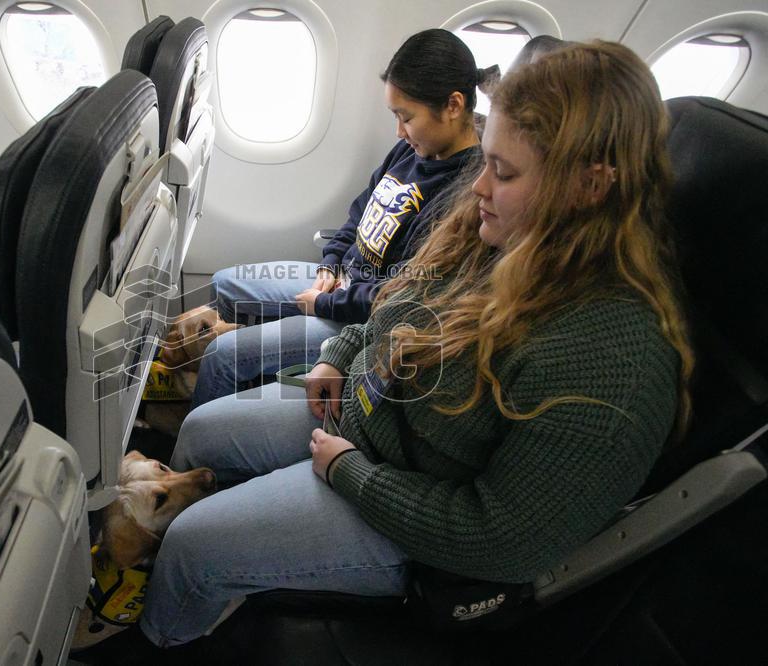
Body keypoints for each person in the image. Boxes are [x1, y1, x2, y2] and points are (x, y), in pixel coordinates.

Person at [139, 40, 694, 648]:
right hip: (356, 407)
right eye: (485, 162)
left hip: (403, 511)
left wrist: (349, 472)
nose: (478, 186)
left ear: (589, 186)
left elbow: (502, 540)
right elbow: (397, 306)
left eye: (504, 172)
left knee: (192, 547)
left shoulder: (612, 365)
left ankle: (160, 637)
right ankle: (232, 559)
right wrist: (337, 357)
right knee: (202, 433)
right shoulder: (494, 233)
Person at [190, 29, 489, 407]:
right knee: (224, 285)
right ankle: (237, 396)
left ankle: (202, 435)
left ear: (453, 106)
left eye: (406, 117)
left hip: (358, 319)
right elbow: (361, 211)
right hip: (339, 283)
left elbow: (401, 293)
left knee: (222, 357)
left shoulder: (463, 193)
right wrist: (330, 263)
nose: (399, 131)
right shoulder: (411, 151)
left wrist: (323, 304)